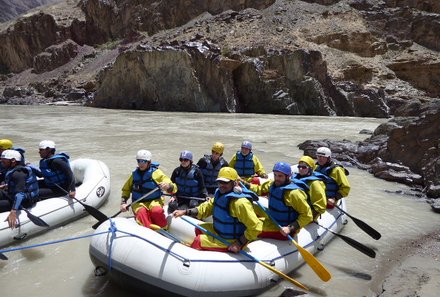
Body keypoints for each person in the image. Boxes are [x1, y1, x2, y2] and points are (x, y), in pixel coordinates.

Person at [173, 167, 262, 253]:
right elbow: (206, 208)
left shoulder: (240, 203)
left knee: (198, 241)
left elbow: (256, 226)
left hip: (231, 239)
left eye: (225, 182)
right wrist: (185, 212)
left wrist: (239, 243)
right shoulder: (220, 194)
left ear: (234, 183)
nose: (221, 185)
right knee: (199, 229)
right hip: (219, 231)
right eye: (220, 182)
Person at [244, 162, 312, 240]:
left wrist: (290, 228)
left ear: (288, 176)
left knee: (249, 228)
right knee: (248, 214)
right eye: (275, 175)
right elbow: (259, 190)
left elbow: (307, 216)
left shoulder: (294, 194)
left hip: (283, 228)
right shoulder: (273, 184)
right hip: (272, 219)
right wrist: (244, 184)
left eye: (280, 176)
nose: (277, 178)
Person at [120, 149, 177, 228]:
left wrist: (168, 186)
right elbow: (126, 190)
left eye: (143, 161)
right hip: (138, 202)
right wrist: (123, 203)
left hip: (154, 200)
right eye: (138, 161)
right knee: (141, 212)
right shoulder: (134, 175)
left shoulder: (157, 173)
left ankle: (164, 228)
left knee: (156, 211)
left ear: (149, 162)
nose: (140, 164)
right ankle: (148, 228)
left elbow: (174, 187)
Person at [0, 150, 39, 229]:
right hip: (13, 195)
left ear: (13, 161)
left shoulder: (18, 173)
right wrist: (5, 186)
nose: (2, 161)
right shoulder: (11, 169)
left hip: (24, 200)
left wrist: (14, 211)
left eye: (4, 159)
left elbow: (20, 193)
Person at [292, 156, 327, 220]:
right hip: (295, 209)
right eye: (299, 167)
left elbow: (320, 205)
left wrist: (310, 217)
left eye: (304, 167)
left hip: (307, 213)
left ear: (310, 169)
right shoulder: (294, 178)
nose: (301, 169)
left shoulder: (315, 183)